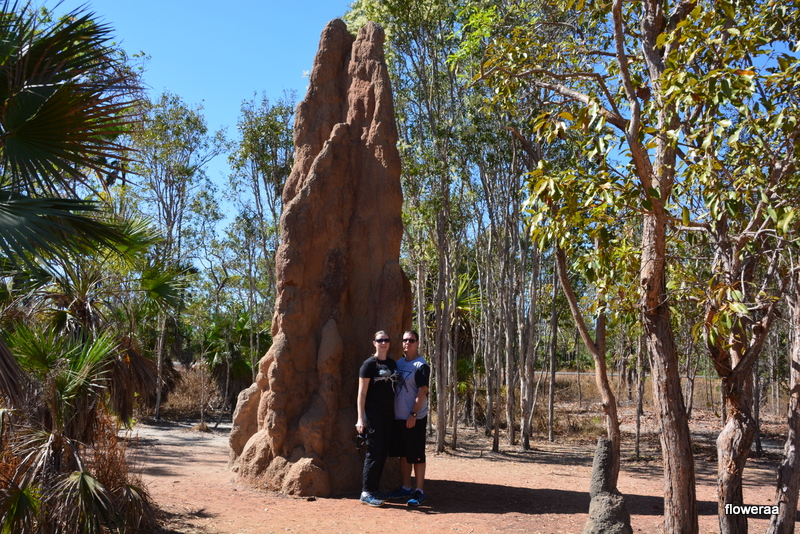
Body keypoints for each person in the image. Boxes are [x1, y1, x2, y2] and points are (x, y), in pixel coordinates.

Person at [386, 329, 430, 506]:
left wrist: (413, 414)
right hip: (399, 416)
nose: (407, 343)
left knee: (416, 454)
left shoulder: (421, 365)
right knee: (403, 454)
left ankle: (419, 491)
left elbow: (422, 391)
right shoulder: (399, 363)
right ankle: (406, 487)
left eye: (411, 340)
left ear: (417, 343)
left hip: (415, 417)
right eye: (405, 340)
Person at [356, 330, 398, 507]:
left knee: (383, 452)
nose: (383, 343)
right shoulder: (368, 365)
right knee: (373, 452)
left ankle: (374, 489)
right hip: (373, 414)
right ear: (374, 343)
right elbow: (362, 393)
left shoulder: (392, 363)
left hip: (388, 414)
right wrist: (360, 419)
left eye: (386, 340)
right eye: (380, 340)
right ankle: (366, 492)